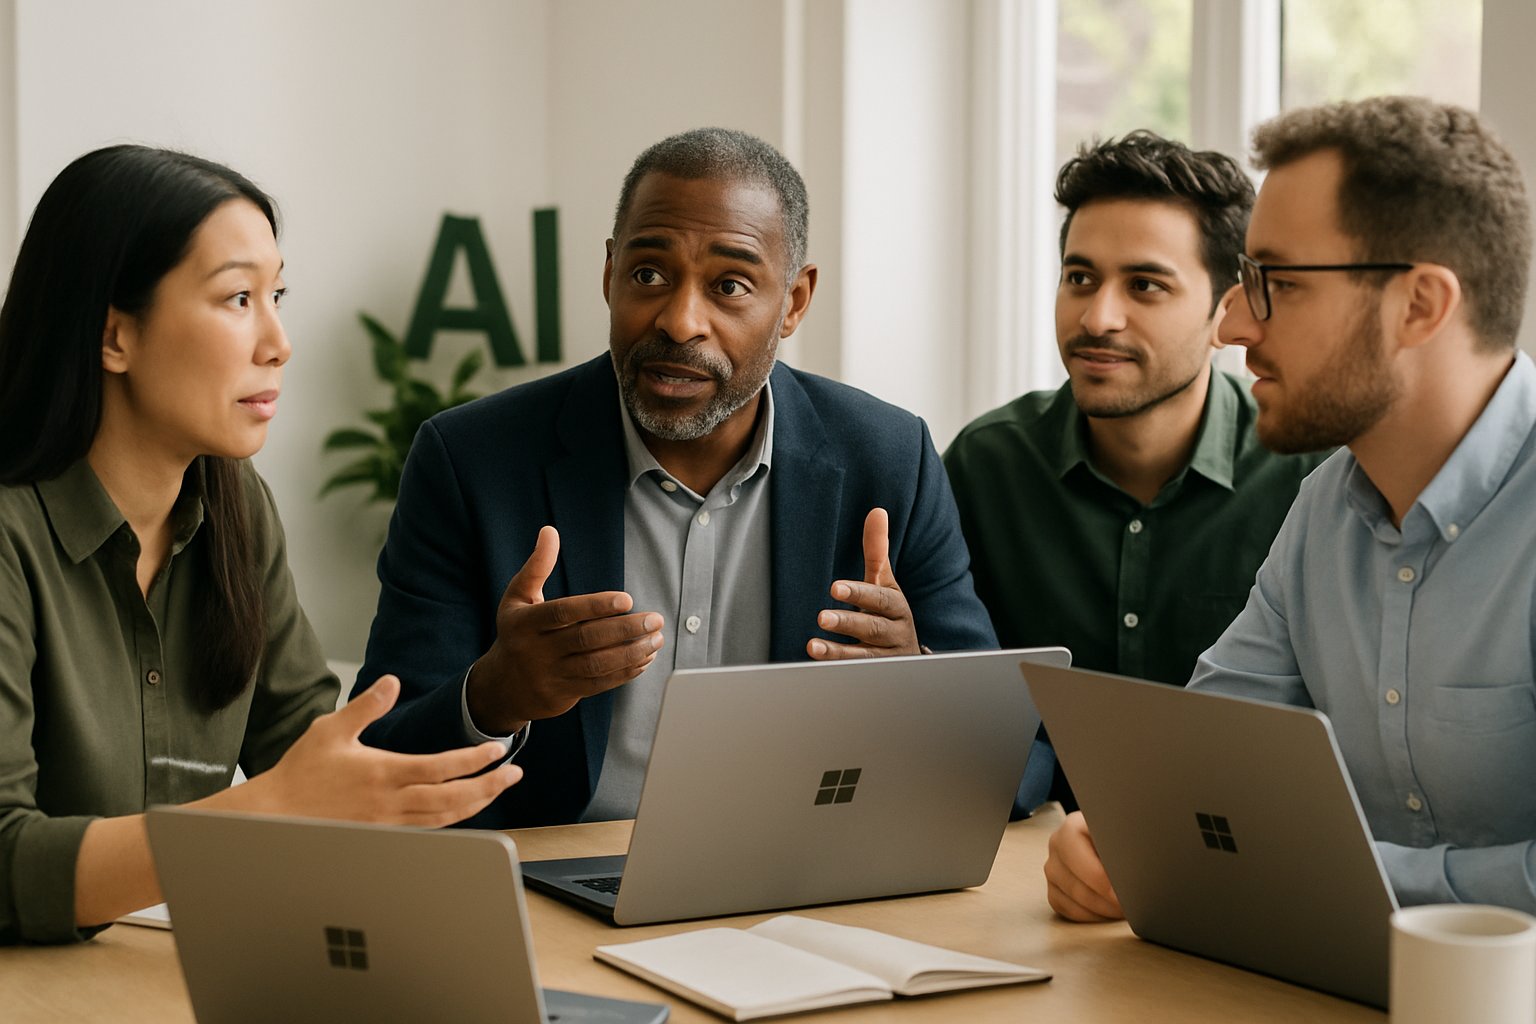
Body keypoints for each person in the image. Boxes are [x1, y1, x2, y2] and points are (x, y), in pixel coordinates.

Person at [356, 127, 996, 827]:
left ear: (795, 302)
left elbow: (1011, 764)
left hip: (803, 882)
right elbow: (377, 761)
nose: (680, 320)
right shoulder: (471, 459)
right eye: (649, 274)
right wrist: (494, 696)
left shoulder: (889, 458)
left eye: (730, 285)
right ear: (609, 274)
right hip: (555, 889)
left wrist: (915, 685)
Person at [0, 146, 522, 945]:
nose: (279, 341)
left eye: (277, 294)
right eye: (238, 297)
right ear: (113, 337)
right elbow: (5, 860)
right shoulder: (10, 532)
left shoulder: (235, 504)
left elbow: (317, 758)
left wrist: (500, 686)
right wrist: (270, 808)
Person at [1044, 95, 1536, 920]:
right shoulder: (1325, 508)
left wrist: (1328, 875)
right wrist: (1121, 838)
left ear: (1419, 305)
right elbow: (1202, 775)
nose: (1232, 325)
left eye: (1277, 284)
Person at [944, 132, 1327, 817]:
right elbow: (959, 704)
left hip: (1243, 855)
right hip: (1026, 858)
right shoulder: (985, 465)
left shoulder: (1311, 479)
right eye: (1079, 278)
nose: (1097, 317)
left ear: (1228, 312)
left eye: (1145, 285)